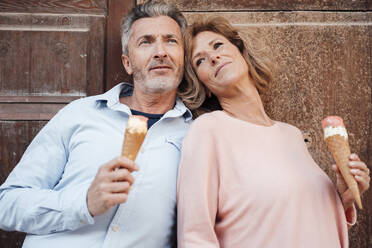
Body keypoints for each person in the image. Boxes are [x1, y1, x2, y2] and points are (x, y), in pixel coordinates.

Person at [0, 1, 193, 247]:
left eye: (171, 41)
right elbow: (6, 204)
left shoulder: (196, 135)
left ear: (183, 58)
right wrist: (83, 203)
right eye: (145, 42)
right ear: (127, 63)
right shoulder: (79, 115)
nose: (160, 52)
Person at [177, 16, 370, 248]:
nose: (213, 57)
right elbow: (195, 237)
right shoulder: (208, 131)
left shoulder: (292, 135)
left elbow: (298, 220)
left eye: (218, 46)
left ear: (241, 53)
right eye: (200, 61)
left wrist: (344, 198)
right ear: (203, 86)